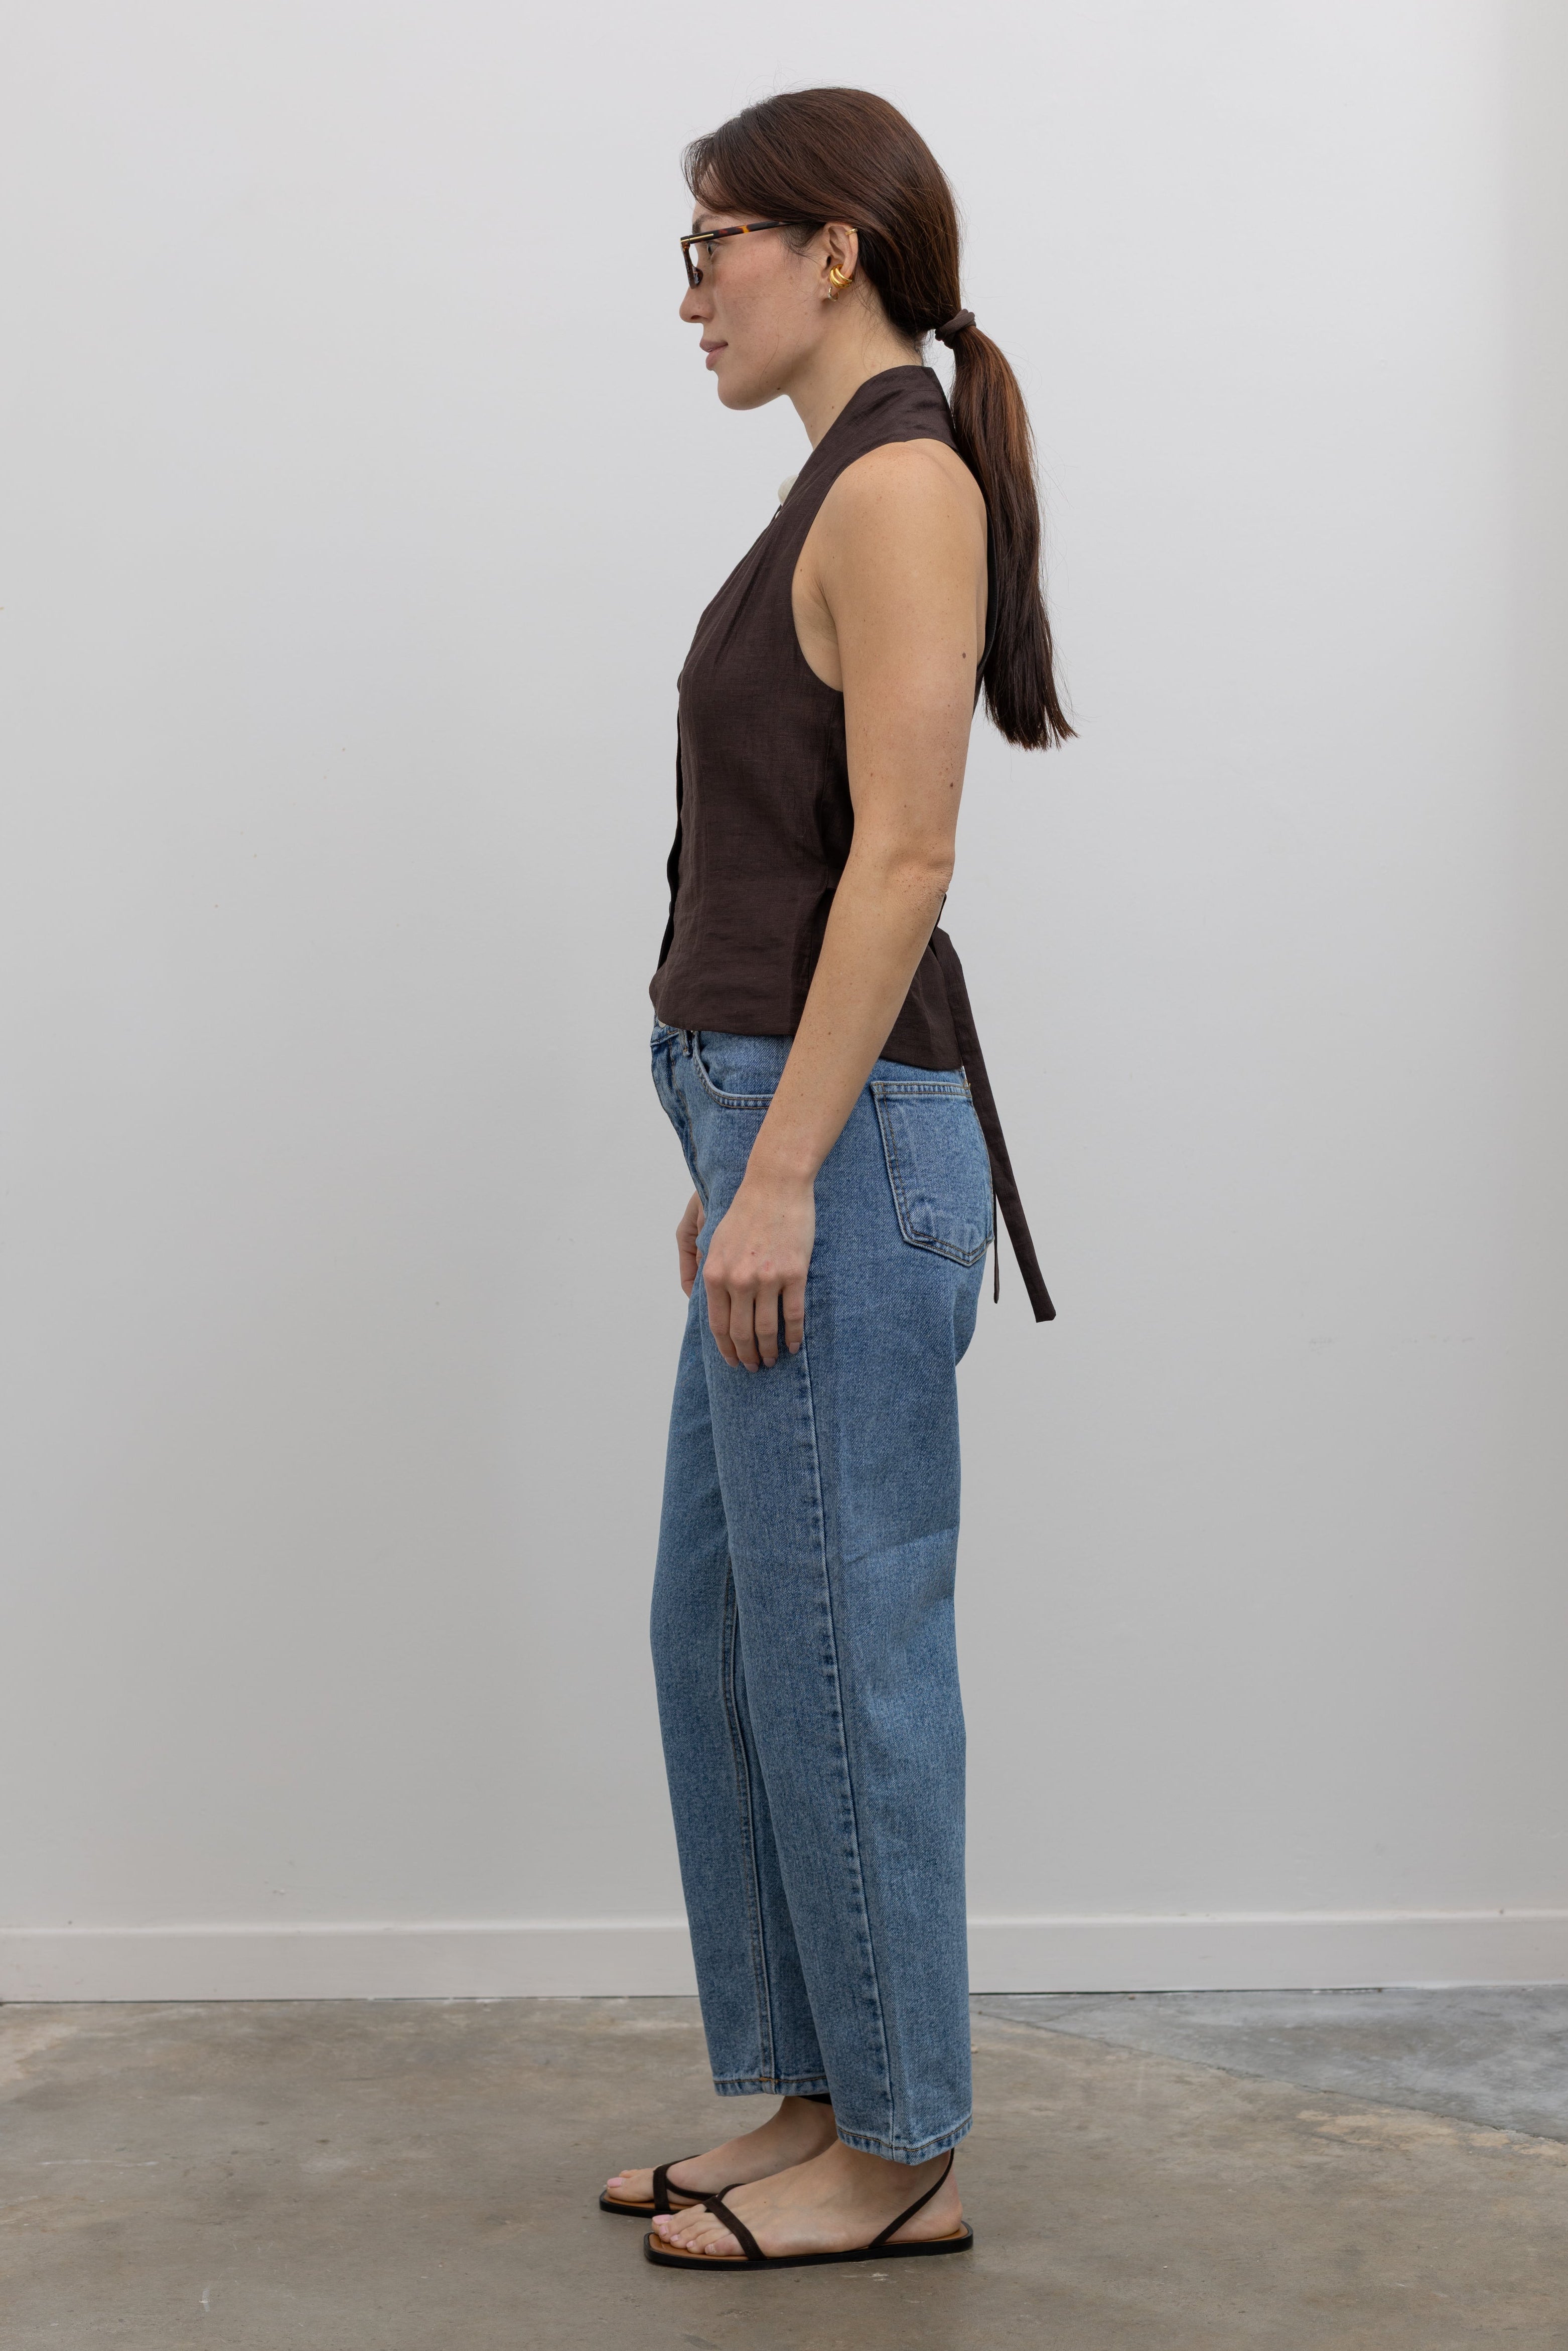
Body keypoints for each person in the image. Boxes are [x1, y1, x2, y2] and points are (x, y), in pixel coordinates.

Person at [601, 87, 1072, 2272]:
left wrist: (781, 1161)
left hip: (844, 1139)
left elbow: (902, 853)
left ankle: (899, 2149)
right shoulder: (844, 473)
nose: (690, 287)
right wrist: (732, 1152)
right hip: (780, 1130)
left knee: (838, 1633)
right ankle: (815, 2093)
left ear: (833, 250)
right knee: (725, 1623)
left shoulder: (895, 481)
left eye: (715, 242)